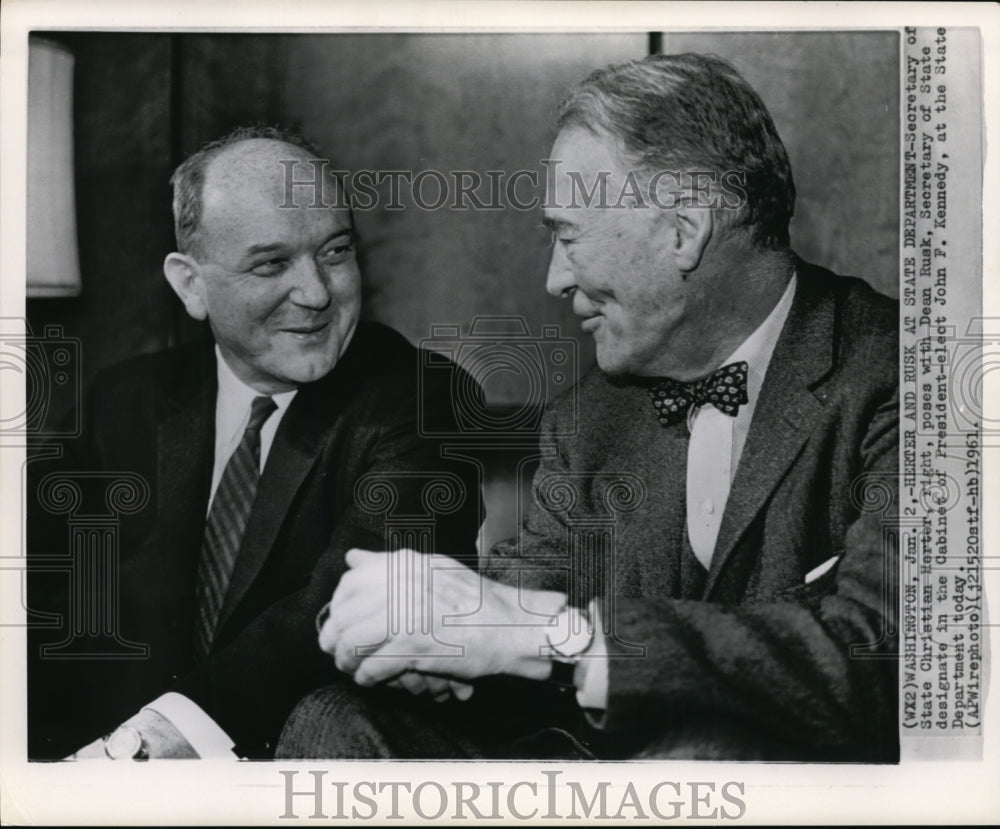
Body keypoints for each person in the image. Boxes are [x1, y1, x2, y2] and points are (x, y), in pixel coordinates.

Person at [284, 53, 900, 762]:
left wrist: (553, 635)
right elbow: (519, 604)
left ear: (684, 228)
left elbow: (884, 661)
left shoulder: (901, 377)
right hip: (606, 782)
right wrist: (432, 631)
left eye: (568, 235)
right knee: (337, 717)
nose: (553, 278)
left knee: (710, 748)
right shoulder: (588, 419)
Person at [27, 126, 480, 760]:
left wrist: (140, 748)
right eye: (271, 263)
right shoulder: (121, 401)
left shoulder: (420, 398)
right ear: (190, 285)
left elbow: (352, 609)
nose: (318, 293)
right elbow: (33, 597)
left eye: (336, 251)